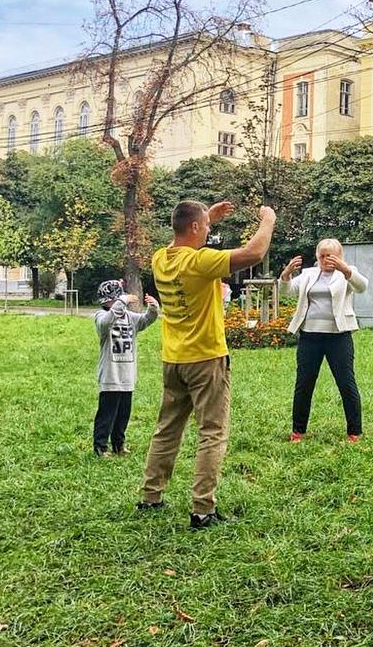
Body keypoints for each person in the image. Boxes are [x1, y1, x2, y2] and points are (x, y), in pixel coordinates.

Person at [138, 200, 276, 530]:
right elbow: (253, 253)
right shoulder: (200, 262)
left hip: (174, 359)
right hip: (206, 359)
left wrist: (206, 218)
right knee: (212, 432)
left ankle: (150, 496)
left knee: (167, 429)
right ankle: (202, 508)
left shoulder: (160, 258)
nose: (209, 231)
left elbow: (185, 236)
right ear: (196, 229)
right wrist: (267, 220)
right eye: (206, 227)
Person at [280, 239, 368, 443]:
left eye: (331, 255)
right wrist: (286, 274)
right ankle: (297, 431)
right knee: (304, 384)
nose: (326, 259)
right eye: (322, 255)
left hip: (339, 336)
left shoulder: (346, 272)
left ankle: (354, 432)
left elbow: (362, 287)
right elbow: (287, 291)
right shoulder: (309, 274)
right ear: (317, 255)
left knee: (346, 383)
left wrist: (344, 269)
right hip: (309, 336)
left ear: (339, 255)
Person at [92, 280, 159, 457]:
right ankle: (100, 447)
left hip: (127, 376)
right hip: (110, 376)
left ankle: (118, 445)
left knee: (123, 416)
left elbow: (146, 320)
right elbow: (105, 323)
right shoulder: (101, 316)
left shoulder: (130, 317)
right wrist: (121, 302)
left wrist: (153, 308)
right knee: (106, 415)